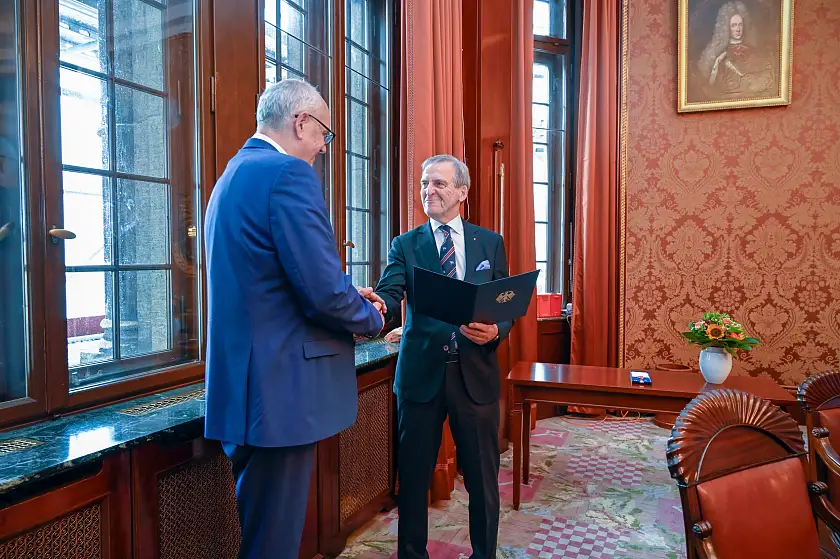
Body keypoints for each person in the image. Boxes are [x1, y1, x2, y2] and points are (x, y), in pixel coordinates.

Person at [203, 79, 386, 558]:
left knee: (264, 535)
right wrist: (369, 316)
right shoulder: (287, 173)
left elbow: (272, 281)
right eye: (324, 133)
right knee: (274, 545)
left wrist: (346, 293)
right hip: (279, 392)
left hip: (247, 389)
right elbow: (321, 289)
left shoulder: (232, 175)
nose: (324, 147)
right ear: (301, 122)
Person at [373, 154, 511, 559]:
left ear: (462, 192)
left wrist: (497, 330)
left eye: (438, 183)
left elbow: (504, 302)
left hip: (476, 376)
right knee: (414, 478)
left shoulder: (489, 242)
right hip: (421, 376)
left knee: (483, 479)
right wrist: (375, 305)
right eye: (424, 183)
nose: (428, 190)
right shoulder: (405, 244)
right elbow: (390, 292)